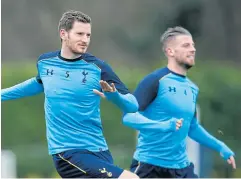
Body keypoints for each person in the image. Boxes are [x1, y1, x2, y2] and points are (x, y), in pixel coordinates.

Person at [1, 10, 140, 178]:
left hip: (99, 150)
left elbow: (133, 105)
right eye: (79, 34)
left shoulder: (98, 68)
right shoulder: (45, 63)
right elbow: (38, 84)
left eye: (88, 35)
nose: (85, 40)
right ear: (63, 33)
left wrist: (114, 96)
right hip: (67, 152)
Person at [122, 26, 236, 178]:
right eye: (186, 45)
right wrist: (162, 126)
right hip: (150, 167)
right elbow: (128, 116)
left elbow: (192, 127)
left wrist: (220, 147)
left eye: (193, 45)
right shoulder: (154, 81)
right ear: (170, 51)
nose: (193, 49)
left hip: (181, 168)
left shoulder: (192, 88)